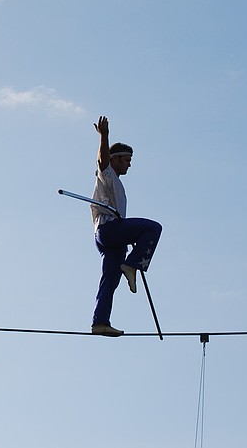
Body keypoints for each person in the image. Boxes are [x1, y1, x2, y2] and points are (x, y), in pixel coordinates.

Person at [89, 116, 162, 337]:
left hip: (110, 236)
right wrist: (104, 137)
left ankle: (100, 322)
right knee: (153, 228)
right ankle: (133, 265)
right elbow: (102, 159)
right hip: (110, 230)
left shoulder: (117, 184)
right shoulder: (107, 175)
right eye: (127, 160)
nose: (129, 164)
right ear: (116, 159)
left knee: (109, 281)